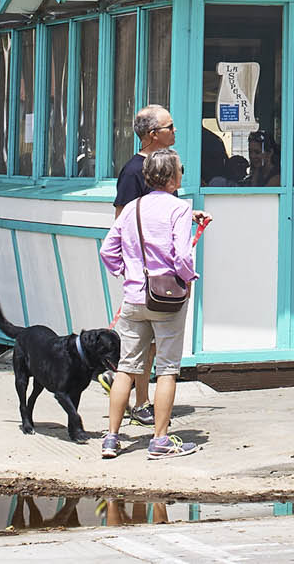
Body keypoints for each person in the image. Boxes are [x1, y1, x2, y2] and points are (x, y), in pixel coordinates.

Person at [98, 148, 206, 458]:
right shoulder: (180, 209)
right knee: (168, 369)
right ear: (173, 178)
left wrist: (126, 272)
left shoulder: (131, 208)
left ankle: (111, 438)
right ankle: (159, 440)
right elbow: (183, 256)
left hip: (134, 296)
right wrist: (187, 277)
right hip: (167, 298)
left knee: (126, 368)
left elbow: (108, 250)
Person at [113, 105, 176, 211]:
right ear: (153, 134)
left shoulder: (166, 164)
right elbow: (122, 220)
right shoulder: (133, 172)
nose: (174, 130)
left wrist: (188, 214)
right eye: (170, 127)